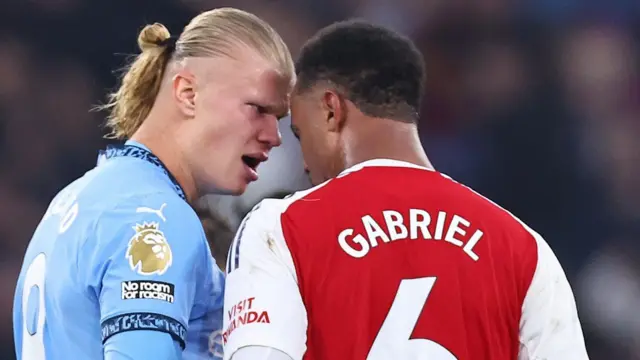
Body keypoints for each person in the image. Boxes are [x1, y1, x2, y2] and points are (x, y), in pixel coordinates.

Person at [222, 20, 589, 360]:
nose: (303, 163)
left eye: (301, 134)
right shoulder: (522, 247)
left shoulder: (281, 227)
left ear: (331, 109)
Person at [13, 7, 294, 360]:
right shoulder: (155, 218)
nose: (274, 137)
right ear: (188, 93)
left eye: (279, 118)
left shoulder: (73, 201)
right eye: (258, 109)